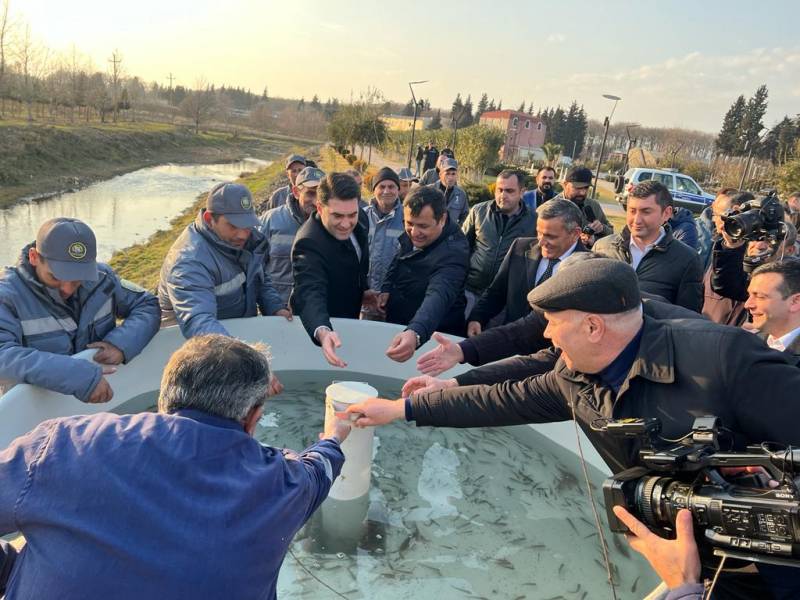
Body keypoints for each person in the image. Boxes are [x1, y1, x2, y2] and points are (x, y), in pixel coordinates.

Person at [344, 257, 800, 598]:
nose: (546, 336)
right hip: (694, 564)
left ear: (593, 327)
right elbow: (501, 400)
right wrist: (398, 410)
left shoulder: (724, 358)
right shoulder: (574, 377)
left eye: (553, 324)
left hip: (776, 564)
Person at [0, 334, 350, 600]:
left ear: (165, 397)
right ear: (254, 418)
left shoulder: (64, 443)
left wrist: (12, 573)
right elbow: (319, 467)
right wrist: (332, 438)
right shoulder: (283, 484)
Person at [0, 218, 160, 403]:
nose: (67, 289)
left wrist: (121, 344)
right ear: (34, 257)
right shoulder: (7, 296)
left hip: (95, 403)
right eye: (55, 277)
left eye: (77, 278)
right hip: (32, 410)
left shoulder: (102, 279)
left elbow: (147, 304)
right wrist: (76, 375)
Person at [159, 182, 291, 339]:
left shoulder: (250, 242)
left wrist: (275, 308)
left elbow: (259, 279)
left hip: (235, 335)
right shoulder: (189, 261)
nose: (242, 234)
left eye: (247, 225)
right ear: (209, 219)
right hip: (191, 348)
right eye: (233, 226)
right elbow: (199, 322)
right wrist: (237, 353)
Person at [377, 185, 469, 362]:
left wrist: (416, 332)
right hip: (401, 325)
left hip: (433, 342)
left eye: (423, 226)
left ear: (442, 219)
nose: (414, 232)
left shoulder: (454, 254)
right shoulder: (414, 232)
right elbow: (400, 256)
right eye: (409, 223)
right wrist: (387, 287)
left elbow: (438, 296)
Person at [467, 198, 585, 334]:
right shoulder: (520, 248)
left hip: (553, 350)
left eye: (550, 236)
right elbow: (497, 292)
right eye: (539, 233)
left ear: (575, 234)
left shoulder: (588, 268)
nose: (541, 242)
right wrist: (477, 318)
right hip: (509, 342)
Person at [291, 172, 370, 368]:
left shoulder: (360, 222)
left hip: (350, 320)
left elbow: (356, 264)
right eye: (337, 216)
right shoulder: (309, 242)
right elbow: (310, 291)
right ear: (319, 207)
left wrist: (365, 291)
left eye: (352, 215)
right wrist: (323, 331)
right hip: (319, 333)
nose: (346, 224)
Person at [594, 180, 703, 312]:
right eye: (632, 211)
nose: (637, 220)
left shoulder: (687, 260)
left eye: (646, 212)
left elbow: (687, 318)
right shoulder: (602, 248)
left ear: (667, 213)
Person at [462, 170, 537, 322]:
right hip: (471, 291)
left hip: (503, 300)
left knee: (492, 342)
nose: (503, 195)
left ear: (522, 192)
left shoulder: (534, 221)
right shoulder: (478, 211)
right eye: (499, 190)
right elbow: (461, 247)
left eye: (509, 191)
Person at [261, 166, 325, 304]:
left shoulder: (332, 224)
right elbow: (255, 266)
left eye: (321, 195)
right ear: (296, 192)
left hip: (316, 309)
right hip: (276, 308)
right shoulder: (271, 220)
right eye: (311, 193)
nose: (316, 201)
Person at [701, 190, 747, 325]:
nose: (714, 219)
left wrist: (733, 247)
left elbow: (726, 286)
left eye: (717, 214)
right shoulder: (721, 244)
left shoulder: (752, 252)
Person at [363, 167, 405, 303]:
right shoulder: (361, 217)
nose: (386, 191)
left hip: (394, 297)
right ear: (374, 190)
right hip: (364, 297)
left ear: (398, 190)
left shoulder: (408, 218)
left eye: (391, 187)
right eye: (381, 186)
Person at [745, 259, 800, 362]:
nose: (748, 305)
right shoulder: (747, 343)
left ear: (795, 301)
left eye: (760, 296)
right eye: (749, 295)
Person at [554, 166, 613, 244]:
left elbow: (611, 234)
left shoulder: (594, 206)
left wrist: (601, 229)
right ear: (565, 185)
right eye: (577, 188)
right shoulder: (552, 207)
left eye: (586, 188)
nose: (582, 192)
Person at [433, 157, 470, 226]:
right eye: (447, 174)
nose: (450, 178)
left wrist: (457, 229)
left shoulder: (461, 194)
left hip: (450, 235)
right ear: (440, 174)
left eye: (453, 174)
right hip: (431, 233)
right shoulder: (429, 190)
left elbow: (465, 216)